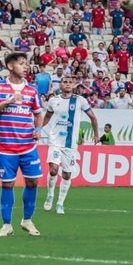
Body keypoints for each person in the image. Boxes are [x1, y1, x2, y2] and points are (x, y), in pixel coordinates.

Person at [0, 52, 44, 237]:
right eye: (21, 63)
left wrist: (38, 130)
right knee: (8, 185)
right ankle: (6, 225)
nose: (26, 67)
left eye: (26, 63)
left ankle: (27, 220)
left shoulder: (32, 90)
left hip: (28, 145)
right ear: (10, 66)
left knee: (33, 181)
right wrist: (8, 101)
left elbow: (38, 113)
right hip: (6, 147)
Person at [41, 75, 100, 214]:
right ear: (60, 85)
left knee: (67, 174)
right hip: (55, 141)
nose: (67, 84)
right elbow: (47, 117)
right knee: (53, 169)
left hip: (71, 144)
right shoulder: (53, 100)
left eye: (70, 82)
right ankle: (50, 195)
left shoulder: (80, 100)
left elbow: (92, 117)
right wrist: (37, 129)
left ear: (74, 86)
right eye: (64, 82)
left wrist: (96, 134)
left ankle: (60, 203)